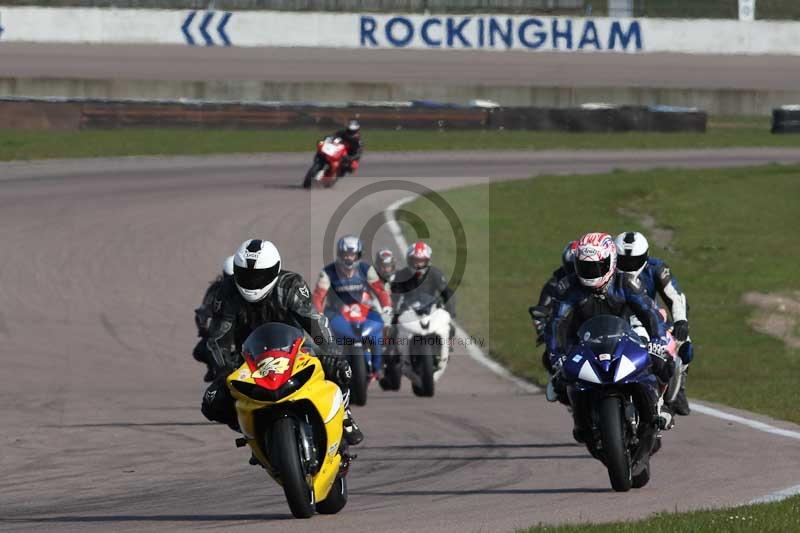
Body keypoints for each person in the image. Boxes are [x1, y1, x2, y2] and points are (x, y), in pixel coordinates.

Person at [201, 239, 363, 446]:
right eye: (247, 275)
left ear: (275, 270)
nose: (253, 282)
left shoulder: (290, 285)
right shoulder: (227, 292)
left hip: (295, 348)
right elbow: (217, 339)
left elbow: (316, 323)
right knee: (212, 402)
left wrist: (332, 354)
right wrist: (224, 371)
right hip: (250, 356)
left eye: (259, 276)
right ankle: (250, 430)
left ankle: (344, 412)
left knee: (340, 369)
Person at [547, 232, 675, 441]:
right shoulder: (568, 287)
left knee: (662, 360)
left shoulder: (626, 282)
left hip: (624, 338)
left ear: (611, 262)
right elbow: (556, 323)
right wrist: (556, 354)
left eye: (596, 266)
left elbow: (649, 313)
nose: (590, 272)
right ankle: (582, 422)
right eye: (584, 266)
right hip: (583, 342)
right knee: (561, 381)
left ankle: (661, 408)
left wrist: (657, 341)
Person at [614, 231, 693, 415]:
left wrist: (681, 321)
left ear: (646, 256)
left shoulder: (656, 269)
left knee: (684, 343)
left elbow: (675, 296)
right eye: (623, 260)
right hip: (617, 323)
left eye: (634, 260)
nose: (628, 265)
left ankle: (678, 388)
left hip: (650, 320)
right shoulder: (607, 272)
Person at [313, 235, 393, 380]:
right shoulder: (328, 272)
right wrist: (318, 315)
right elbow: (319, 296)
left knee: (379, 329)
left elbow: (380, 291)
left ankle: (377, 366)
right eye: (346, 254)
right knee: (324, 340)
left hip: (364, 311)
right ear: (340, 255)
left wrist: (386, 308)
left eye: (352, 255)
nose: (349, 258)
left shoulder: (367, 270)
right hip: (336, 313)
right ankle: (332, 368)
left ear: (358, 255)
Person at [391, 241, 457, 339]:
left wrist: (450, 312)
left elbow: (447, 293)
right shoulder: (401, 275)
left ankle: (445, 351)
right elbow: (394, 297)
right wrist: (394, 314)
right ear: (409, 260)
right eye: (415, 260)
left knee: (450, 329)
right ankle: (395, 351)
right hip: (407, 310)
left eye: (421, 261)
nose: (418, 264)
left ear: (427, 261)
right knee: (392, 331)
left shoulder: (435, 273)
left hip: (432, 309)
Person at [529, 240, 578, 372]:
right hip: (569, 333)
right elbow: (540, 311)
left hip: (593, 330)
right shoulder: (556, 283)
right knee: (550, 358)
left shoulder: (601, 283)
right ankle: (557, 387)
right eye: (570, 267)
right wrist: (545, 331)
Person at [193, 255, 234, 382]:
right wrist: (204, 330)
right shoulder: (217, 290)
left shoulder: (258, 293)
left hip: (248, 336)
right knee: (200, 351)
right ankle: (213, 369)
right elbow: (203, 311)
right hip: (221, 335)